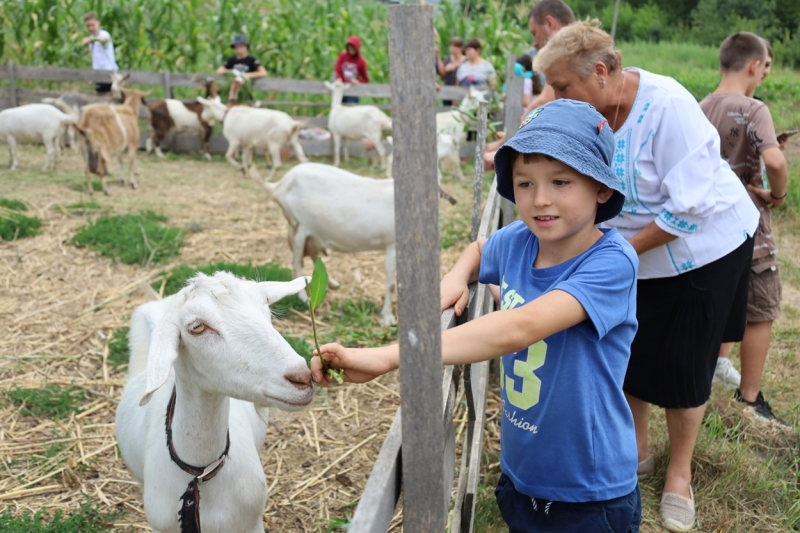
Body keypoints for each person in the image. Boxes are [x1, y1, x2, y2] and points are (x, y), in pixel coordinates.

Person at [313, 99, 641, 533]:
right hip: (522, 472)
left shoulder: (611, 263)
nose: (540, 199)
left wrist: (395, 356)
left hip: (588, 489)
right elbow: (482, 248)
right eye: (524, 183)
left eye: (561, 181)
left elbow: (520, 327)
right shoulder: (520, 241)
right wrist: (457, 274)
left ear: (601, 188)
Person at [534, 20, 760, 532]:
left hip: (702, 247)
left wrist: (617, 255)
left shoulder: (667, 106)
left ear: (598, 71)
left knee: (685, 361)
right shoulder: (587, 112)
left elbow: (690, 207)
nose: (556, 96)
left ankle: (679, 474)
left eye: (562, 85)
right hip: (635, 253)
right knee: (628, 348)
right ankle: (637, 449)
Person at [700, 33, 791, 428]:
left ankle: (712, 371)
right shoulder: (754, 109)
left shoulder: (700, 106)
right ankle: (750, 401)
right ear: (754, 66)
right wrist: (778, 192)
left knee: (722, 302)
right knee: (761, 310)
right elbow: (774, 160)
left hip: (708, 229)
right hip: (750, 228)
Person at [522, 0, 575, 117]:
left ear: (550, 23)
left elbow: (543, 102)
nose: (535, 43)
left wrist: (517, 132)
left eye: (535, 33)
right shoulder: (585, 47)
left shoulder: (566, 52)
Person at [216, 35, 267, 103]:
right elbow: (219, 71)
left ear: (246, 47)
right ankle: (232, 98)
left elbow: (263, 72)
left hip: (245, 89)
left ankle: (234, 97)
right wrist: (232, 73)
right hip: (232, 86)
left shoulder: (251, 60)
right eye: (237, 47)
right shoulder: (231, 60)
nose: (239, 50)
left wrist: (249, 75)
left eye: (241, 47)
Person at [82, 12, 119, 95]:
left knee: (100, 96)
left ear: (98, 23)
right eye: (88, 26)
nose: (90, 28)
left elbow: (104, 39)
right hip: (99, 73)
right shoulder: (93, 40)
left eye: (92, 25)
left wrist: (91, 39)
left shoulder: (104, 34)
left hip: (108, 73)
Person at [334, 36, 369, 104]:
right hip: (341, 88)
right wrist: (339, 78)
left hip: (353, 91)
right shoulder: (342, 56)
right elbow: (338, 68)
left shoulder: (361, 61)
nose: (351, 49)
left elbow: (365, 79)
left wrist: (358, 82)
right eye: (349, 47)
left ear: (357, 48)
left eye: (353, 48)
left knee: (351, 109)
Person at [439, 37, 466, 106]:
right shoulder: (447, 59)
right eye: (451, 46)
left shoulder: (466, 61)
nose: (453, 49)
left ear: (461, 48)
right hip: (448, 91)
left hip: (462, 91)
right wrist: (446, 70)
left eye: (455, 47)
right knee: (446, 113)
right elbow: (442, 77)